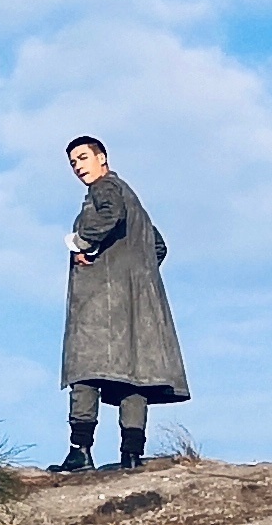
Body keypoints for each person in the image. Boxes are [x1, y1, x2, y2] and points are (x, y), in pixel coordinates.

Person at [56, 135, 186, 473]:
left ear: (102, 158)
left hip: (101, 301)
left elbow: (110, 215)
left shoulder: (106, 188)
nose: (78, 166)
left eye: (83, 157)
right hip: (137, 306)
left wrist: (83, 242)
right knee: (134, 378)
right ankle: (131, 455)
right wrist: (134, 271)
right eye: (73, 162)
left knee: (85, 370)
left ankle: (79, 452)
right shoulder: (134, 199)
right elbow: (158, 246)